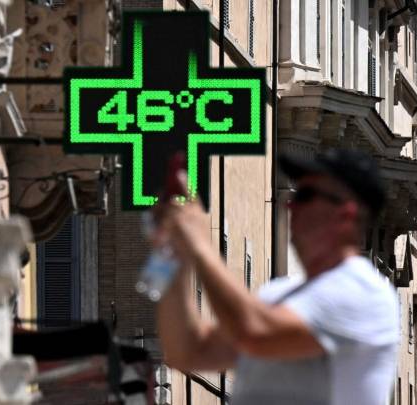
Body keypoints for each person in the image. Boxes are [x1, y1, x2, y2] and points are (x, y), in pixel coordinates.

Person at [155, 148, 400, 405]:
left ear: (345, 214)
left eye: (305, 196)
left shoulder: (363, 292)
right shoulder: (278, 293)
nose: (289, 204)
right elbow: (187, 352)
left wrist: (200, 243)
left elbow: (253, 332)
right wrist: (175, 252)